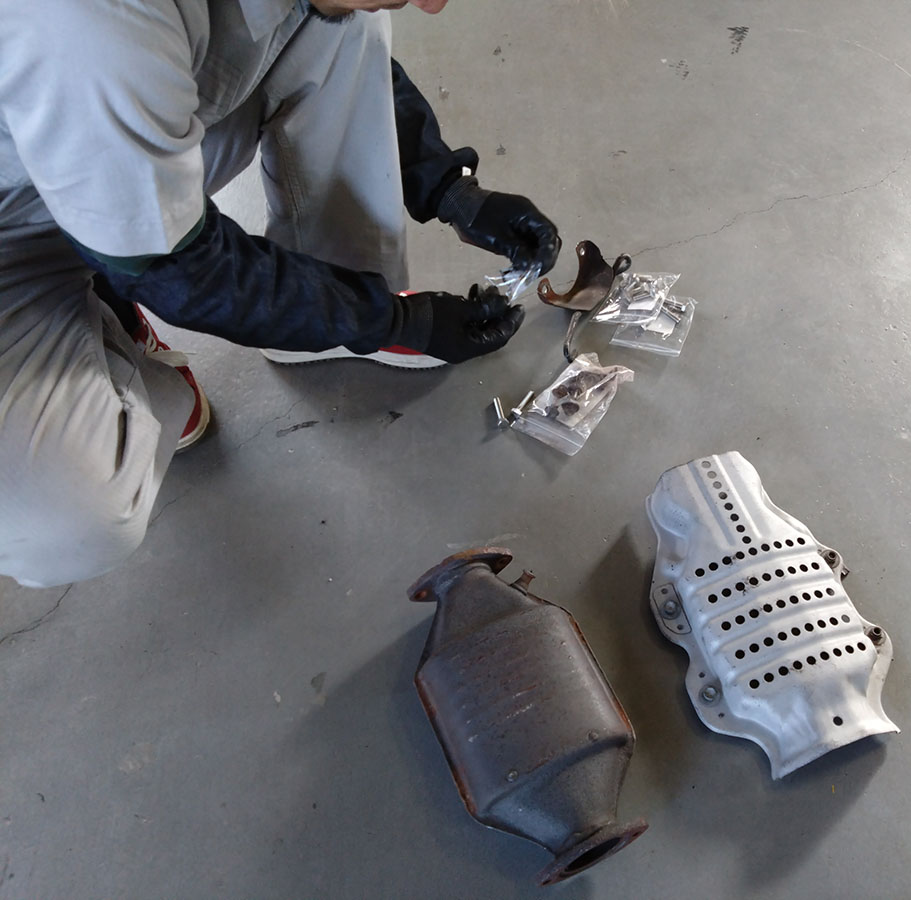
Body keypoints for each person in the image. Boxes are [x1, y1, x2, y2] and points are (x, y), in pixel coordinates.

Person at [0, 0, 562, 588]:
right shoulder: (92, 26)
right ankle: (112, 322)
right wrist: (396, 321)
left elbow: (319, 35)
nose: (434, 4)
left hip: (98, 145)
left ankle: (323, 300)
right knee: (72, 520)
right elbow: (187, 274)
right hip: (14, 237)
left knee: (346, 18)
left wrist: (450, 188)